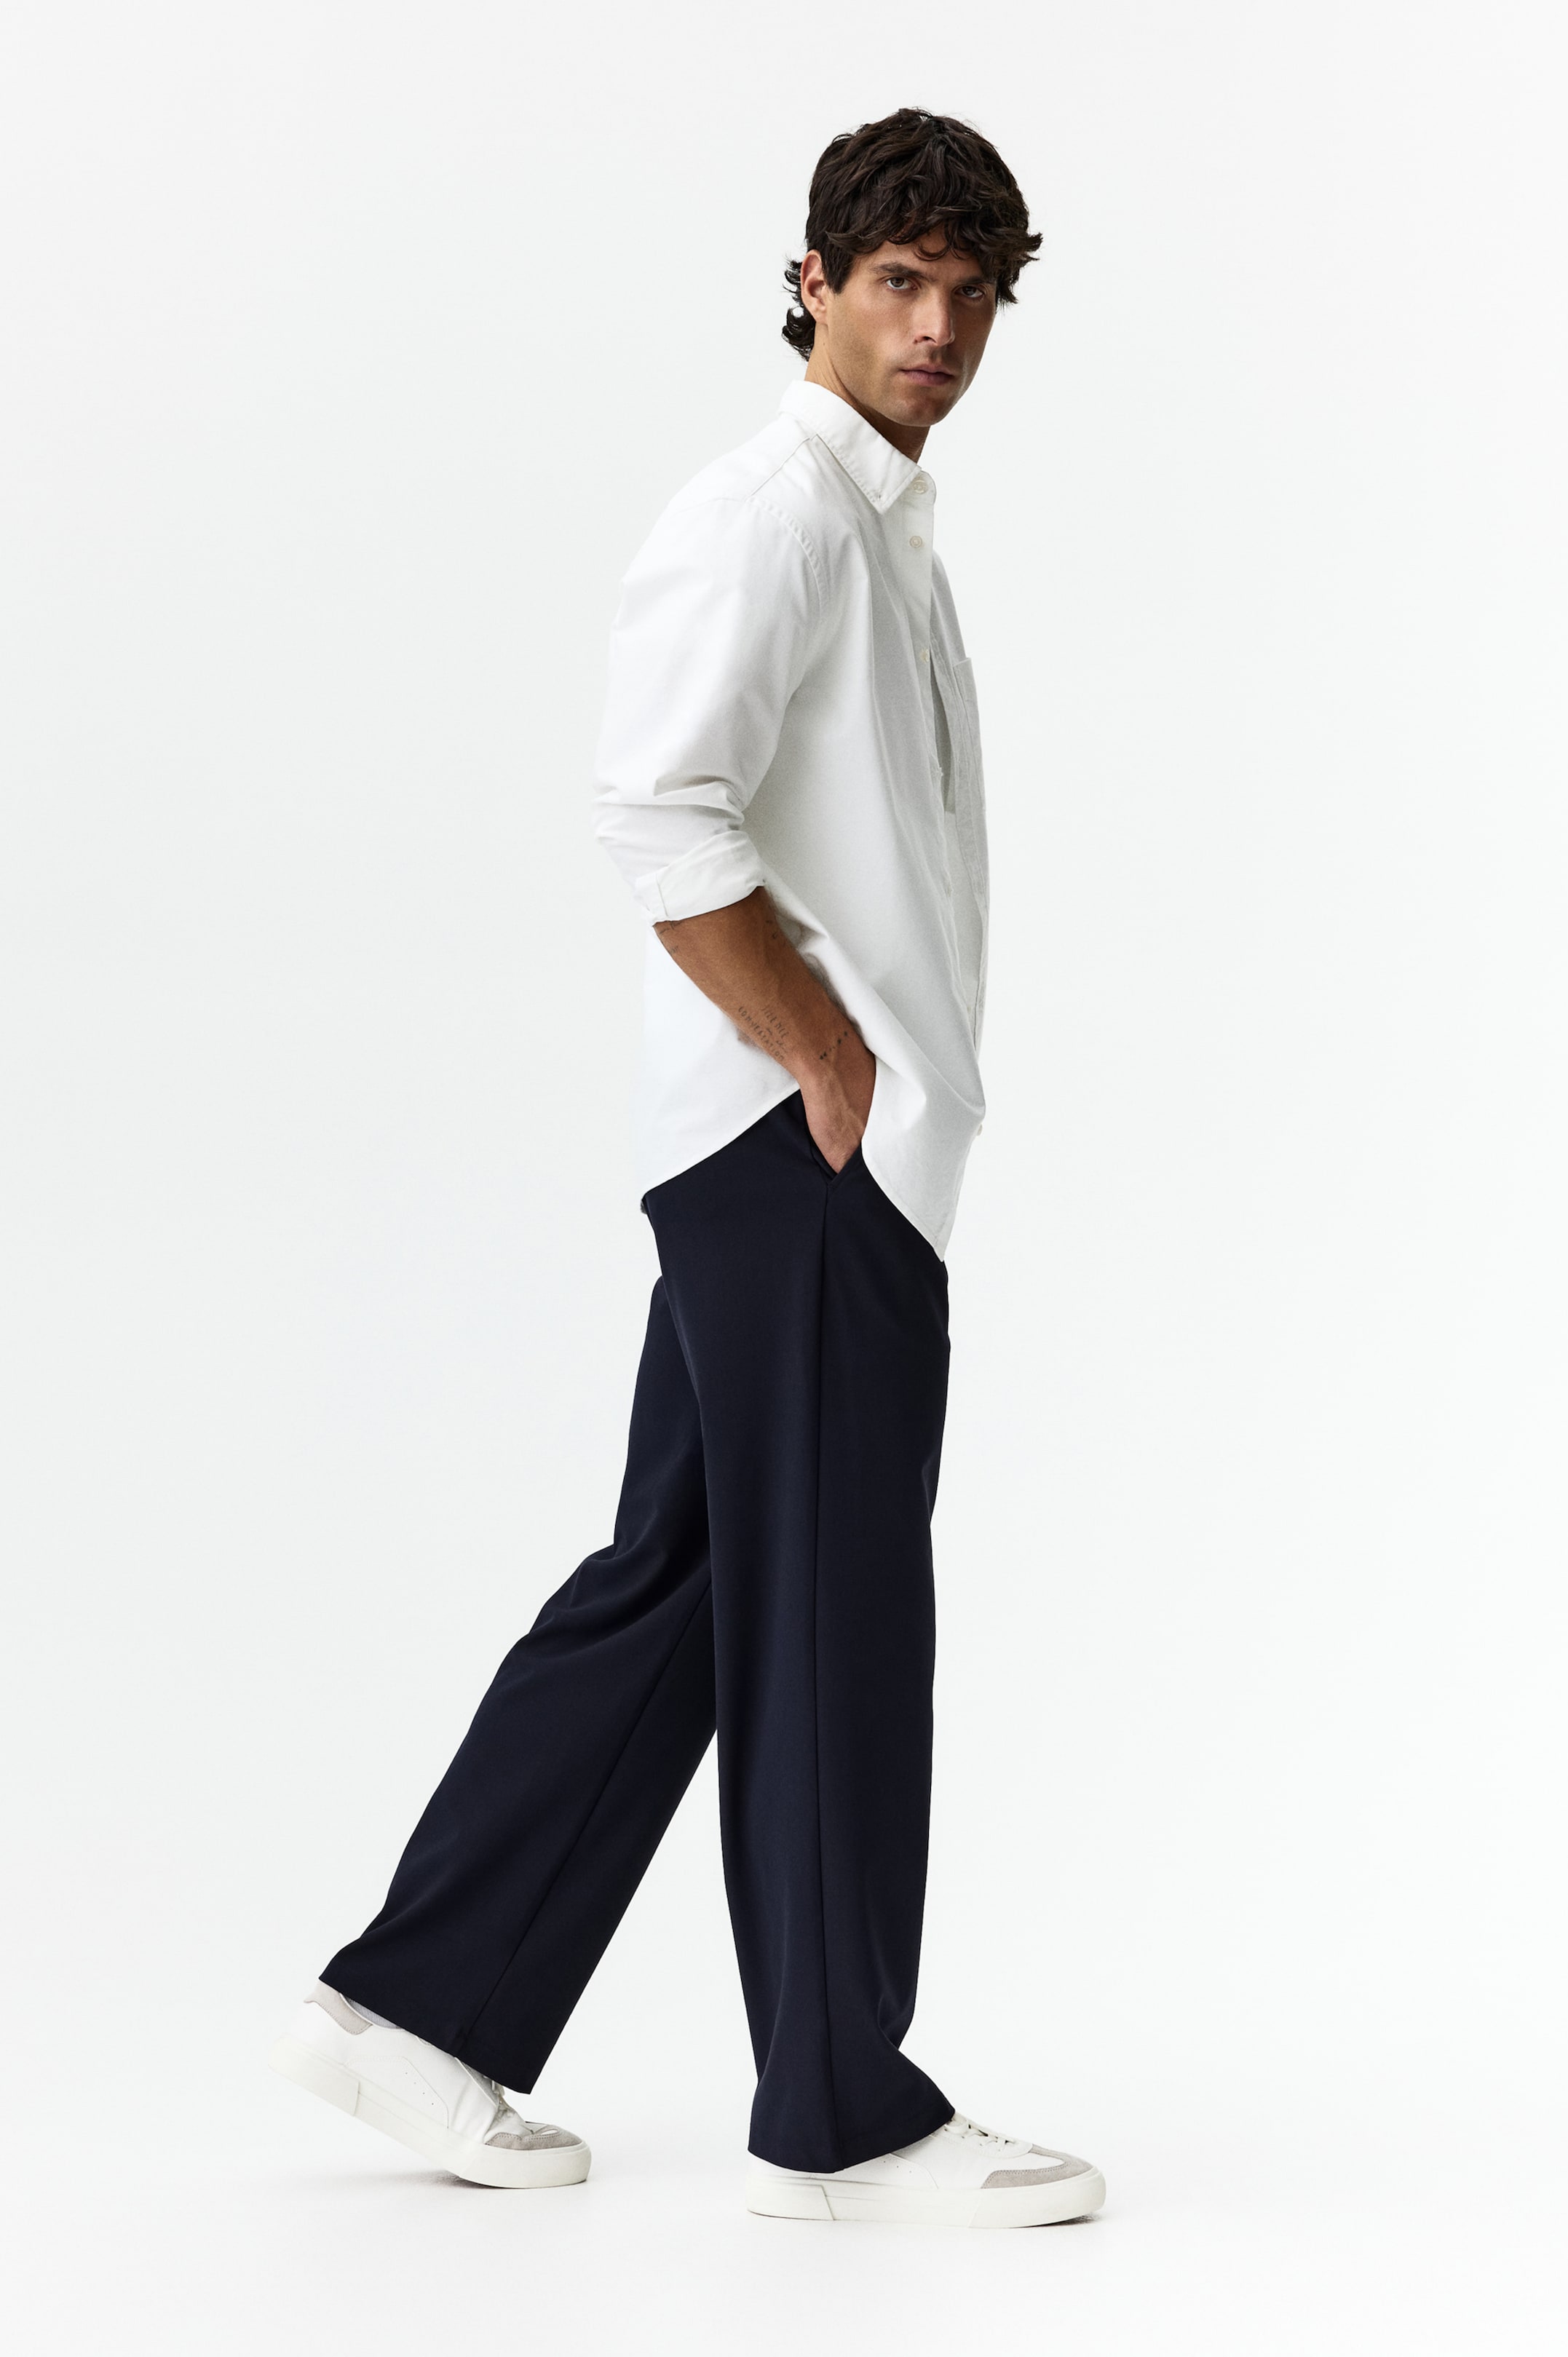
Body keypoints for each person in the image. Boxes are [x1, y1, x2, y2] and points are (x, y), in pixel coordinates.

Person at [272, 106, 1105, 2231]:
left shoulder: (880, 526)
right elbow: (658, 809)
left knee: (688, 1586)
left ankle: (415, 2014)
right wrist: (827, 1059)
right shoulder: (777, 516)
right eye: (898, 282)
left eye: (971, 293)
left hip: (810, 1156)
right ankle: (841, 2121)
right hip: (798, 1154)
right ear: (814, 281)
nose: (937, 327)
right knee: (836, 1620)